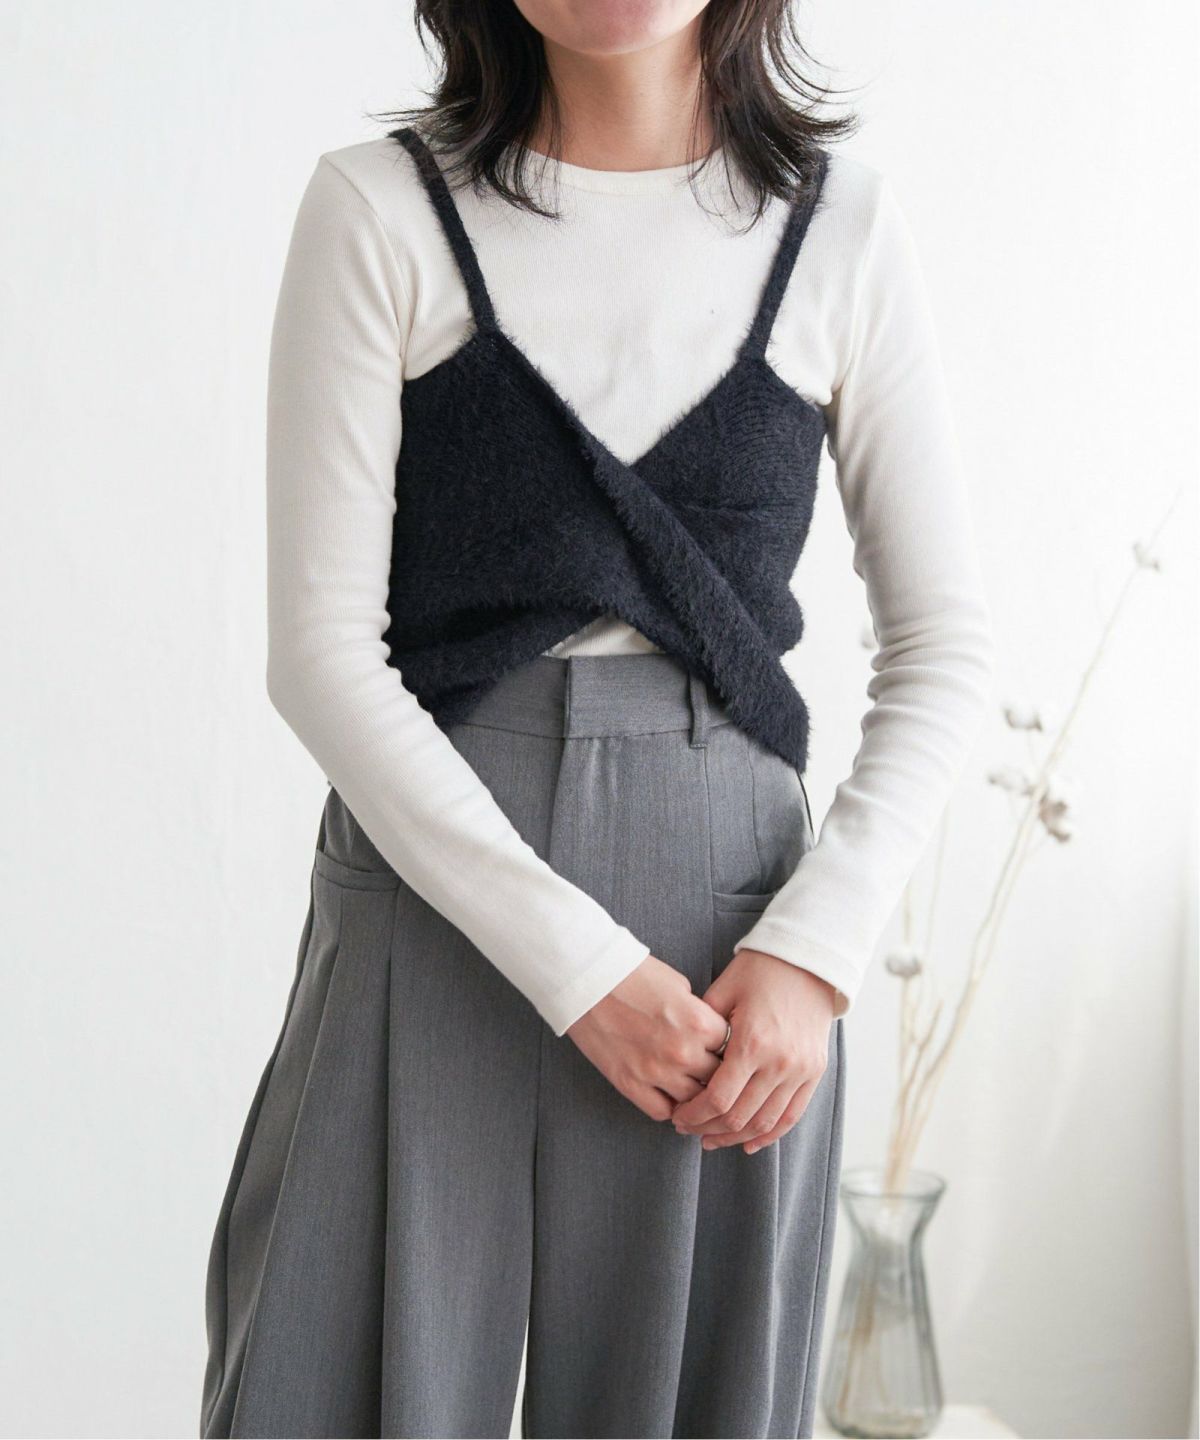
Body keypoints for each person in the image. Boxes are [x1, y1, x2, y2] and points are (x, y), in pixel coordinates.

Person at [200, 2, 995, 1436]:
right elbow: (320, 655)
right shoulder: (379, 211)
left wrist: (813, 957)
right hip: (436, 895)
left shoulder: (843, 228)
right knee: (334, 1387)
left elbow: (943, 651)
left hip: (732, 948)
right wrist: (580, 972)